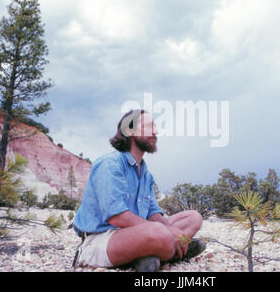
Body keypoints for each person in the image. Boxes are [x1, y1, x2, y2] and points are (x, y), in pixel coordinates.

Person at [73, 109, 206, 272]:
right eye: (149, 126)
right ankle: (172, 253)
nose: (156, 131)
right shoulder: (110, 164)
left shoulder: (145, 173)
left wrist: (168, 227)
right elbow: (116, 216)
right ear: (129, 130)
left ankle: (147, 257)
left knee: (194, 218)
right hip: (102, 239)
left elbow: (153, 213)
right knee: (160, 233)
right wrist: (169, 232)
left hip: (136, 233)